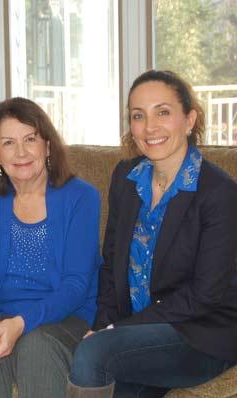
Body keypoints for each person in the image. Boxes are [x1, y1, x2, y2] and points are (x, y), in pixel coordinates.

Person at [68, 70, 237, 398]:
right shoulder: (125, 179)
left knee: (92, 354)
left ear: (189, 120)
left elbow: (205, 295)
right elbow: (111, 267)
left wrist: (118, 332)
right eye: (138, 116)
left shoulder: (220, 193)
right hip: (136, 333)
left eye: (163, 112)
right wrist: (102, 325)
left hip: (201, 334)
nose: (150, 127)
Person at [0, 97, 102, 398]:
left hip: (65, 317)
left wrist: (20, 324)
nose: (21, 152)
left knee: (36, 345)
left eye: (30, 139)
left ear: (47, 146)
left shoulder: (82, 197)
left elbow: (76, 285)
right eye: (9, 142)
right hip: (0, 313)